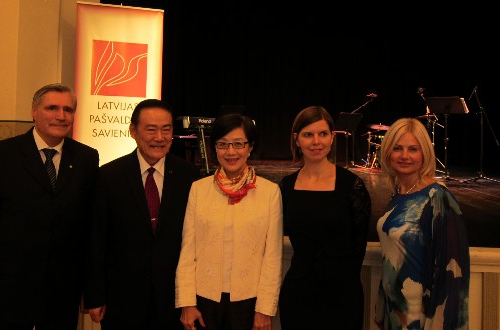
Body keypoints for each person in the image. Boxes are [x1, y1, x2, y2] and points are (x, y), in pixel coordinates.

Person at [0, 83, 100, 330]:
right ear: (33, 112)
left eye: (68, 109)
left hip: (63, 294)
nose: (60, 115)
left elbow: (89, 230)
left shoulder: (87, 158)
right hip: (8, 292)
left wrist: (90, 290)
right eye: (52, 108)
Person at [84, 98, 200, 329]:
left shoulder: (190, 176)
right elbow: (95, 240)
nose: (159, 138)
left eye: (166, 129)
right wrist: (95, 296)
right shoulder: (109, 176)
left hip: (174, 300)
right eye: (151, 129)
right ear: (133, 131)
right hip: (121, 299)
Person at [175, 113, 283, 330]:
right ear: (215, 148)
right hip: (203, 298)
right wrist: (186, 302)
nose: (231, 152)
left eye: (238, 144)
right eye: (223, 144)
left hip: (249, 301)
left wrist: (264, 309)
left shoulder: (270, 192)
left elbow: (273, 256)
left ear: (250, 147)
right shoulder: (199, 189)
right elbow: (187, 250)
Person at [278, 105, 371, 330]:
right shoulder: (286, 187)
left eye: (323, 134)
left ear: (331, 138)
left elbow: (359, 246)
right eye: (308, 135)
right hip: (298, 293)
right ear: (297, 140)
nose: (316, 141)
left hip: (342, 295)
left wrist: (342, 282)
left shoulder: (353, 186)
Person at [374, 117, 470, 329]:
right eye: (397, 148)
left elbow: (452, 272)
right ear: (388, 152)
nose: (405, 156)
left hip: (420, 318)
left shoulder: (438, 197)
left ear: (424, 153)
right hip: (395, 314)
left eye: (413, 149)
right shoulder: (398, 194)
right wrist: (382, 311)